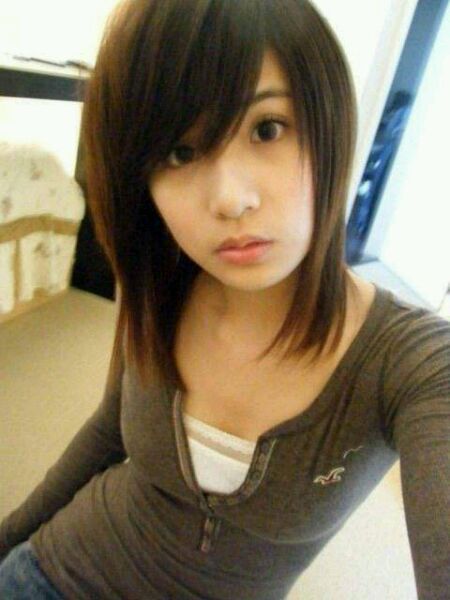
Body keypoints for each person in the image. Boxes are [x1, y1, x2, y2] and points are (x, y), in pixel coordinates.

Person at [1, 0, 449, 598]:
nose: (230, 200)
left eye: (267, 129)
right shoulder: (161, 284)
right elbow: (109, 429)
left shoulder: (415, 366)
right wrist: (7, 540)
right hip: (49, 573)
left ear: (329, 123)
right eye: (180, 152)